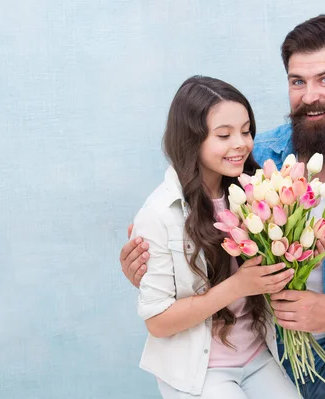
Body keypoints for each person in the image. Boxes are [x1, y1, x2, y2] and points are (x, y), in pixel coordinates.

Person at [121, 15, 325, 399]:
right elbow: (187, 214)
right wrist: (152, 268)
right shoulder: (250, 157)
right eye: (298, 82)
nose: (310, 96)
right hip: (264, 356)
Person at [131, 75, 312, 398]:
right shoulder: (161, 213)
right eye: (224, 135)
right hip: (199, 371)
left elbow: (273, 275)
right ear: (191, 140)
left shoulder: (257, 192)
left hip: (256, 356)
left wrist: (307, 249)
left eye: (245, 131)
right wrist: (238, 285)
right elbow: (158, 322)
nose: (240, 143)